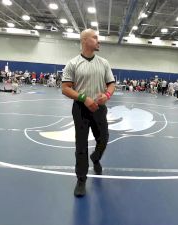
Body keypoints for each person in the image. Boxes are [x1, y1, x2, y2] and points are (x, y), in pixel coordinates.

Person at [62, 29, 116, 197]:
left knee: (104, 138)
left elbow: (111, 85)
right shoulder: (73, 63)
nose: (98, 41)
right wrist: (84, 98)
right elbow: (65, 88)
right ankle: (81, 179)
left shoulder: (104, 63)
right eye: (95, 37)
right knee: (81, 145)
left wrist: (106, 95)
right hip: (81, 110)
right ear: (85, 41)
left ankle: (96, 158)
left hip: (99, 109)